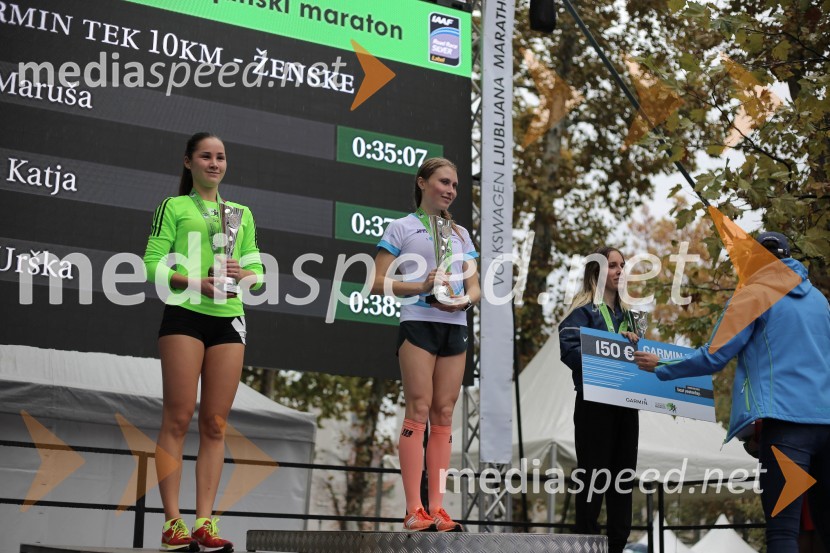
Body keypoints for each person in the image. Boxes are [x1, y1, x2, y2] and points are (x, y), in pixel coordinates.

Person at [634, 231, 830, 553]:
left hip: (787, 430)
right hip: (826, 423)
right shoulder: (820, 301)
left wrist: (661, 367)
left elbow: (714, 356)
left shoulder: (754, 294)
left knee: (783, 533)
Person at [144, 132, 263, 553]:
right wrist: (196, 282)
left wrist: (243, 272)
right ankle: (172, 523)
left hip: (228, 317)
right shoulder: (174, 207)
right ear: (188, 162)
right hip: (185, 314)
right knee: (177, 418)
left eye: (220, 157)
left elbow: (257, 269)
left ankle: (203, 522)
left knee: (215, 424)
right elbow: (152, 264)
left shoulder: (240, 213)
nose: (214, 163)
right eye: (206, 157)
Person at [372, 158, 480, 532]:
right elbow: (376, 282)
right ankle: (413, 508)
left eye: (455, 185)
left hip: (455, 325)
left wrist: (463, 300)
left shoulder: (462, 234)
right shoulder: (401, 227)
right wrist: (420, 287)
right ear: (422, 183)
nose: (450, 190)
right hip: (418, 323)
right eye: (443, 182)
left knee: (445, 413)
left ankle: (438, 507)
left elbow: (475, 286)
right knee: (418, 409)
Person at [558, 247, 641, 553]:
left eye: (623, 266)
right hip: (594, 404)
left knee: (623, 475)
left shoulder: (631, 317)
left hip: (626, 405)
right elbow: (568, 350)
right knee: (593, 471)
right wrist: (606, 354)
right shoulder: (583, 311)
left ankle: (618, 542)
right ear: (598, 272)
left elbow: (639, 362)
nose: (620, 271)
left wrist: (634, 345)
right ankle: (586, 537)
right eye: (614, 266)